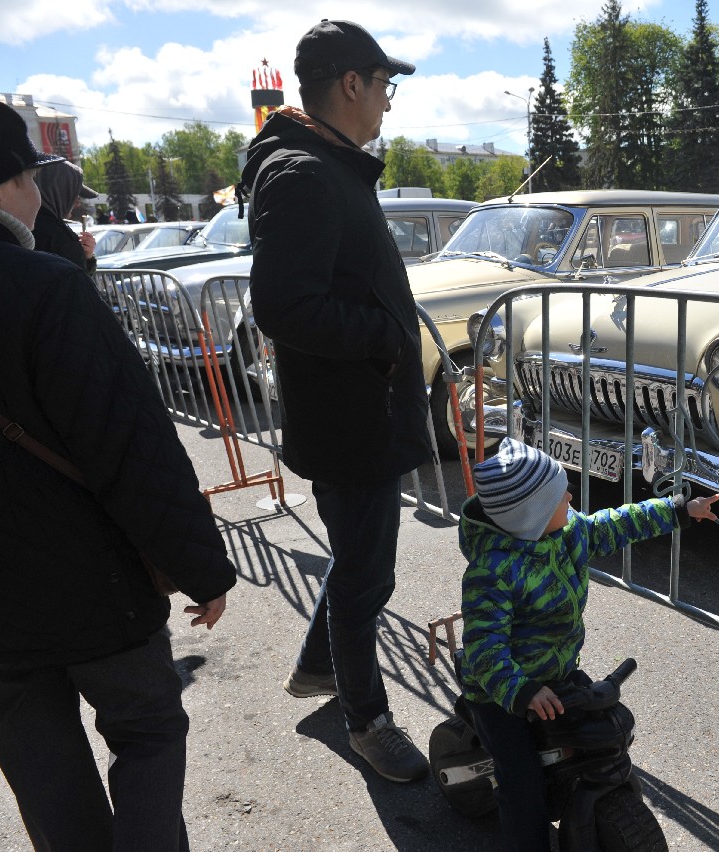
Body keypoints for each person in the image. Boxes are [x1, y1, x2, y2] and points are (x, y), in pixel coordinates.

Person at [0, 96, 236, 851]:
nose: (36, 193)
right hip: (94, 589)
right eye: (28, 176)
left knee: (42, 768)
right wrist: (202, 568)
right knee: (150, 732)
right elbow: (130, 448)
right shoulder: (44, 288)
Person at [241, 19, 433, 783]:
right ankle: (367, 719)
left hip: (359, 412)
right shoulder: (302, 173)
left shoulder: (326, 163)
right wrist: (386, 334)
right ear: (351, 84)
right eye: (384, 85)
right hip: (351, 421)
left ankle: (320, 673)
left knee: (355, 562)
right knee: (365, 577)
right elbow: (284, 307)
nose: (388, 102)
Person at [459, 438, 719, 852]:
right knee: (521, 782)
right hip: (501, 693)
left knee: (595, 732)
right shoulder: (491, 573)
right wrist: (522, 691)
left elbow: (615, 523)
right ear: (531, 515)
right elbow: (483, 650)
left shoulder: (568, 532)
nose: (569, 495)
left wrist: (678, 511)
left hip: (557, 670)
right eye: (558, 495)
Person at [32, 159, 98, 271]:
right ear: (61, 193)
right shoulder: (61, 239)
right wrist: (80, 256)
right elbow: (77, 285)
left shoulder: (23, 224)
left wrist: (87, 258)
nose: (77, 203)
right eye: (74, 195)